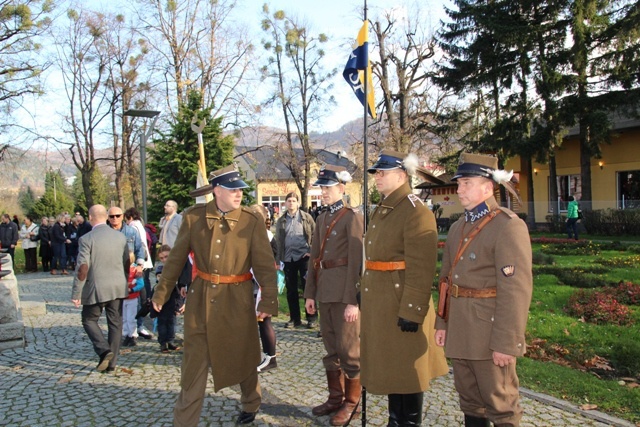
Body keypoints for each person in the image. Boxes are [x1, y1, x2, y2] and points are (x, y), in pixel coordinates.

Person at [151, 164, 278, 426]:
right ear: (217, 190)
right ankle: (184, 421)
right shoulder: (193, 217)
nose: (238, 194)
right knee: (193, 367)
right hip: (200, 303)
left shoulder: (250, 221)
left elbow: (266, 266)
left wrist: (268, 300)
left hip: (238, 301)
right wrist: (161, 292)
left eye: (240, 189)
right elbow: (175, 260)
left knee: (243, 356)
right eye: (232, 189)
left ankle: (251, 401)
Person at [434, 153, 533, 427]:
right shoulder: (457, 227)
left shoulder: (507, 226)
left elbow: (516, 291)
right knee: (470, 402)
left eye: (466, 183)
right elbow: (446, 280)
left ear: (488, 187)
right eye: (459, 183)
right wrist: (442, 322)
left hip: (489, 334)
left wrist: (506, 342)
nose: (459, 189)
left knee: (501, 405)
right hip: (461, 329)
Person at [360, 149, 449, 426]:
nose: (376, 178)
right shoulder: (384, 208)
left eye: (382, 173)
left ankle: (408, 423)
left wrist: (412, 310)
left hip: (403, 303)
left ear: (400, 176)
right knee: (393, 366)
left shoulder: (415, 212)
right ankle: (395, 420)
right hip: (383, 302)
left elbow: (422, 268)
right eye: (376, 173)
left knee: (408, 370)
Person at [304, 165, 364, 425]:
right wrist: (309, 293)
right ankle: (335, 397)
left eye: (327, 188)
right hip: (325, 290)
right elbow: (314, 258)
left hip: (343, 293)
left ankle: (353, 403)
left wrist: (353, 300)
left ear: (341, 188)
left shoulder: (352, 217)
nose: (323, 192)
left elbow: (356, 261)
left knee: (349, 350)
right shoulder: (321, 218)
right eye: (322, 188)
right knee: (331, 349)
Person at [71, 204, 130, 373]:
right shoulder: (120, 237)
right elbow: (127, 262)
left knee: (89, 320)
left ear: (90, 218)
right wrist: (124, 280)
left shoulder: (86, 239)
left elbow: (83, 267)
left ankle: (104, 350)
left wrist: (77, 293)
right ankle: (112, 364)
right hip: (118, 286)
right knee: (115, 323)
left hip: (96, 287)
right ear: (106, 217)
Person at [107, 206, 151, 340]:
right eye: (112, 216)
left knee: (133, 306)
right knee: (114, 308)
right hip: (112, 273)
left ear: (123, 216)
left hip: (129, 271)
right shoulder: (105, 232)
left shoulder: (131, 231)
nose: (115, 218)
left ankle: (133, 332)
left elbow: (140, 249)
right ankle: (117, 333)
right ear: (108, 218)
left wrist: (139, 265)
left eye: (118, 215)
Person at [275, 192, 316, 329]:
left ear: (298, 203)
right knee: (291, 290)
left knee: (307, 287)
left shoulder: (306, 218)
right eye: (289, 201)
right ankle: (295, 319)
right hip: (288, 257)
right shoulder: (281, 220)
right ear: (285, 203)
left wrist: (311, 251)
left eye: (293, 201)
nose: (291, 203)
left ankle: (311, 318)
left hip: (303, 257)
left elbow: (316, 235)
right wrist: (278, 259)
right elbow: (278, 241)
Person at [248, 204, 278, 372]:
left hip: (260, 285)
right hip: (251, 282)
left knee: (264, 321)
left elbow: (271, 258)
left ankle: (271, 357)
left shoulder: (266, 235)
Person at [153, 244, 188, 353]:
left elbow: (182, 284)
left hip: (175, 298)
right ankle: (163, 343)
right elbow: (160, 284)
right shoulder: (160, 268)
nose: (164, 260)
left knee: (172, 321)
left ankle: (171, 341)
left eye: (166, 256)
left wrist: (182, 302)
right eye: (162, 258)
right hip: (164, 299)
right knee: (162, 321)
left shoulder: (179, 267)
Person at [122, 252, 145, 347]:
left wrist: (132, 289)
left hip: (132, 297)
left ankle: (132, 335)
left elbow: (141, 284)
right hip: (123, 297)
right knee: (124, 318)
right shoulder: (121, 269)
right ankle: (126, 334)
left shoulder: (135, 270)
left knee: (131, 318)